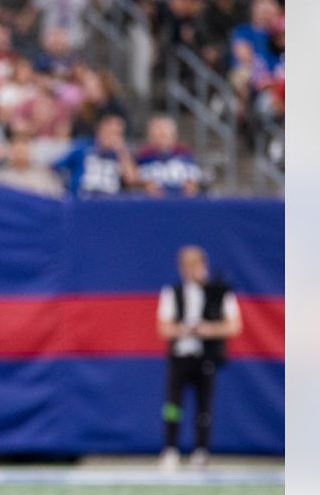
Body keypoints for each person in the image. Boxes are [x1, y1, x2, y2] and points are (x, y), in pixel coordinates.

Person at [156, 246, 243, 469]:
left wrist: (207, 329)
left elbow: (233, 326)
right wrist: (185, 329)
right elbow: (164, 328)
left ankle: (201, 450)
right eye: (186, 266)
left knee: (204, 406)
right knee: (173, 404)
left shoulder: (219, 292)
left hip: (206, 356)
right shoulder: (173, 292)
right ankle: (171, 448)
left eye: (195, 265)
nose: (190, 271)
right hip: (180, 356)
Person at [53, 114, 142, 197]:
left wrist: (122, 152)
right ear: (100, 130)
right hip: (83, 199)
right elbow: (56, 166)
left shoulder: (121, 155)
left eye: (118, 134)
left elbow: (132, 180)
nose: (114, 138)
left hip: (109, 203)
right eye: (110, 132)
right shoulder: (84, 147)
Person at [137, 115, 206, 196]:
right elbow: (135, 180)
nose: (161, 140)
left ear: (173, 135)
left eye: (163, 135)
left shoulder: (184, 152)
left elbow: (193, 184)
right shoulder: (144, 155)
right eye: (157, 135)